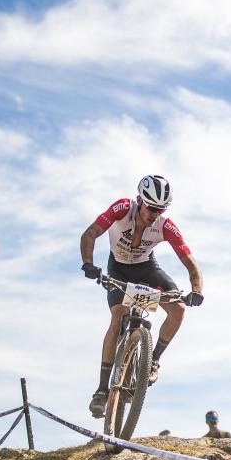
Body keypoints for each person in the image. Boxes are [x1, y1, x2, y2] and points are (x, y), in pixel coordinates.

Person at [81, 175, 204, 418]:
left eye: (160, 210)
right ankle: (102, 390)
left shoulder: (165, 226)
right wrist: (88, 264)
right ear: (140, 200)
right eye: (151, 208)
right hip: (118, 267)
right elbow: (90, 233)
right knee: (118, 316)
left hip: (146, 268)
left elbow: (190, 263)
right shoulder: (123, 208)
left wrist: (197, 290)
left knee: (178, 309)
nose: (154, 214)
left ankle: (152, 361)